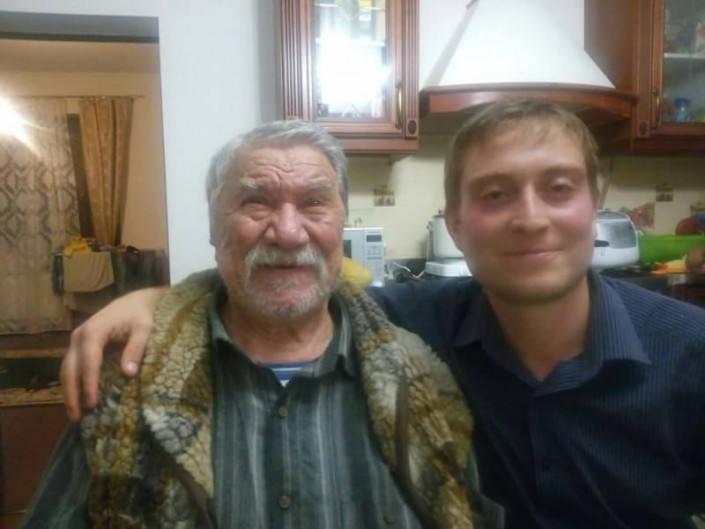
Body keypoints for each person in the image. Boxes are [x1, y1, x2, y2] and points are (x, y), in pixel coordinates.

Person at [59, 98, 705, 528]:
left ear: (596, 205)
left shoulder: (690, 353)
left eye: (558, 189)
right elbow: (289, 292)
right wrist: (157, 300)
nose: (530, 218)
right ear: (455, 223)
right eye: (495, 194)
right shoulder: (411, 328)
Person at [23, 120, 502, 529]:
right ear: (214, 226)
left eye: (314, 202)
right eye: (256, 201)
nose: (288, 233)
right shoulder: (125, 382)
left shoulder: (425, 380)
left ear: (340, 223)